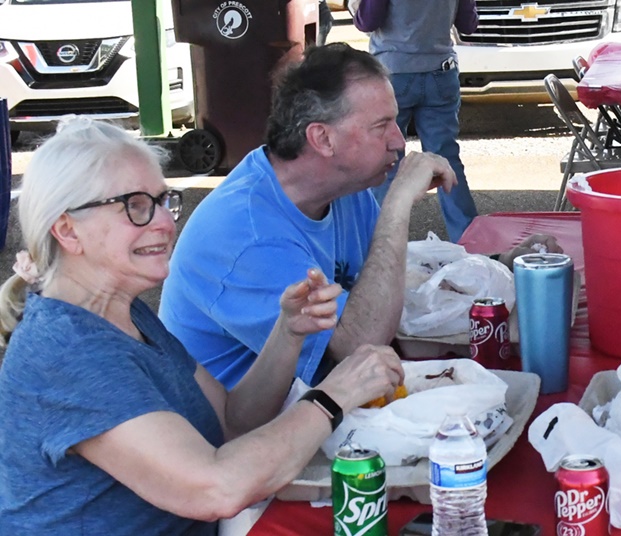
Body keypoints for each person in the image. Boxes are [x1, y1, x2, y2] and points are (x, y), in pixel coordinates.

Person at [0, 119, 405, 534]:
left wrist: (288, 334)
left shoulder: (126, 315)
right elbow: (215, 488)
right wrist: (334, 396)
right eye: (135, 206)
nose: (164, 222)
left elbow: (232, 422)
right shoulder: (69, 353)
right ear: (68, 231)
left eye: (162, 201)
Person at [159, 44, 554, 390]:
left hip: (314, 403)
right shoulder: (247, 234)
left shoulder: (343, 187)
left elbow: (385, 277)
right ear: (322, 138)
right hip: (233, 437)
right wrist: (398, 203)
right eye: (382, 126)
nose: (399, 142)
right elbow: (359, 345)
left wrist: (500, 263)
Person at [355, 0, 480, 242]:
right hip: (441, 71)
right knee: (447, 159)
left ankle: (382, 241)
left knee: (387, 160)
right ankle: (469, 240)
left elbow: (367, 21)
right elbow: (468, 24)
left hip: (394, 72)